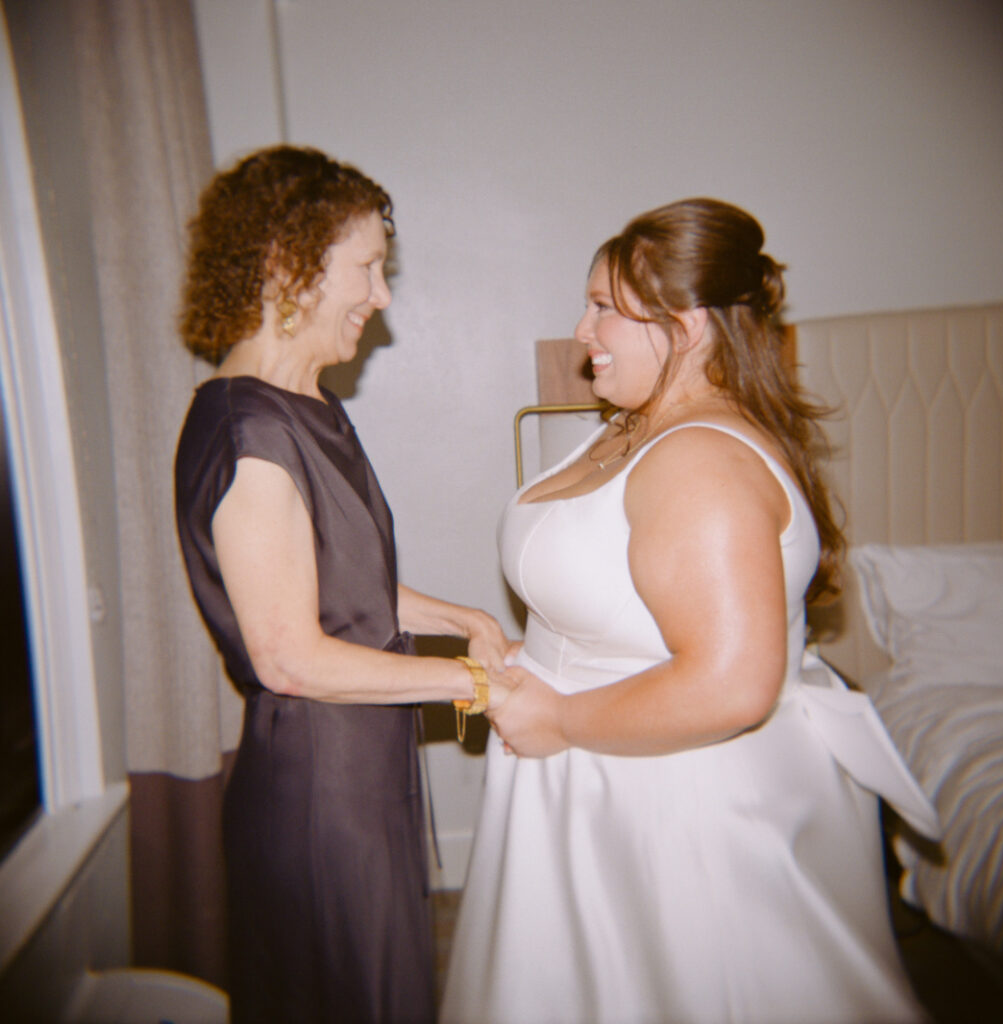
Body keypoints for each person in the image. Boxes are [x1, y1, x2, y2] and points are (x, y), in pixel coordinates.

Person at [440, 198, 939, 1024]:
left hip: (672, 807)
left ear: (689, 324)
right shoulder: (640, 424)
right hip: (606, 778)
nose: (581, 331)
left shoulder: (699, 457)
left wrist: (559, 717)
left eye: (603, 307)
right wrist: (544, 655)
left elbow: (731, 684)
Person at [174, 144, 508, 1024]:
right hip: (318, 792)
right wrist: (472, 685)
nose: (381, 295)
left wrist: (463, 618)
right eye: (366, 267)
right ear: (289, 264)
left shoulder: (307, 407)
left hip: (358, 765)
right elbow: (289, 656)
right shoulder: (249, 433)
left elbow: (342, 583)